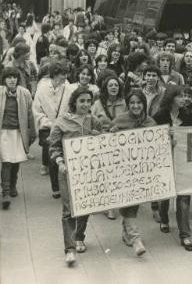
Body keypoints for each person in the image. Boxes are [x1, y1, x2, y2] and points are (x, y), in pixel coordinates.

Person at [47, 87, 103, 266]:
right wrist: (60, 163)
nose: (86, 105)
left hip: (88, 171)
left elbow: (103, 144)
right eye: (82, 101)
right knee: (68, 209)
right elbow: (53, 147)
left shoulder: (93, 121)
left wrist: (98, 137)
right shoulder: (62, 122)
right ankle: (69, 249)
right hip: (67, 171)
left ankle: (79, 236)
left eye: (88, 101)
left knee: (85, 205)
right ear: (74, 103)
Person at [110, 90, 157, 256]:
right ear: (128, 105)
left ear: (144, 104)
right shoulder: (119, 120)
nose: (136, 106)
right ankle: (136, 239)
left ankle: (126, 233)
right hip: (123, 171)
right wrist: (112, 134)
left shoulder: (150, 122)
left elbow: (157, 145)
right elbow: (107, 144)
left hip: (142, 172)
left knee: (134, 203)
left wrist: (169, 137)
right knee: (128, 202)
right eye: (132, 103)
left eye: (139, 103)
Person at [153, 85, 192, 251]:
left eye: (185, 96)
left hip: (183, 162)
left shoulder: (189, 115)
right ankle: (164, 219)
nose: (184, 99)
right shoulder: (160, 115)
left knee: (184, 197)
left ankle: (185, 234)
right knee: (165, 193)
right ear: (171, 99)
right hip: (165, 161)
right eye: (180, 96)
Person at [32, 61, 70, 198]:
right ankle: (56, 188)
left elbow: (71, 107)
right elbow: (37, 110)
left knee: (65, 156)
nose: (65, 78)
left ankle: (66, 185)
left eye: (66, 75)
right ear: (54, 75)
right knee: (53, 156)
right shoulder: (41, 90)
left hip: (65, 126)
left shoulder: (68, 88)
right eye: (62, 76)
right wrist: (47, 123)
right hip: (48, 128)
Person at [0, 67, 36, 209]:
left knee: (15, 161)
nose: (12, 80)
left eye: (14, 77)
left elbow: (29, 115)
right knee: (6, 161)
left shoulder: (25, 93)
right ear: (4, 79)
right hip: (4, 133)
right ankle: (6, 192)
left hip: (18, 133)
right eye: (9, 77)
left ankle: (13, 183)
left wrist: (32, 133)